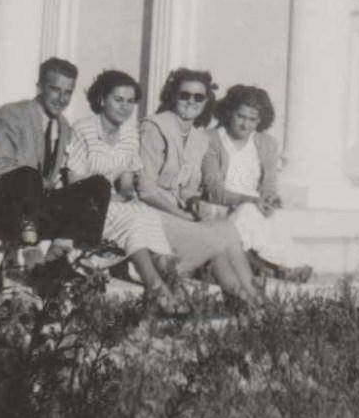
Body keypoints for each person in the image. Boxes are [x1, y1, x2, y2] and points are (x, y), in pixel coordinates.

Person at [0, 57, 111, 251]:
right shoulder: (12, 114)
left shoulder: (64, 127)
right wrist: (40, 182)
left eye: (68, 92)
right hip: (2, 208)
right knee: (28, 175)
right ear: (40, 87)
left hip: (36, 212)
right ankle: (29, 250)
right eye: (55, 89)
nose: (62, 99)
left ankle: (82, 250)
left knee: (99, 184)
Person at [138, 68, 260, 305]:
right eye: (185, 95)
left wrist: (195, 202)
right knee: (214, 237)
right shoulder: (155, 127)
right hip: (153, 213)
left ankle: (252, 298)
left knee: (225, 228)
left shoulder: (198, 138)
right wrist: (183, 215)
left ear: (206, 102)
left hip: (178, 213)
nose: (191, 102)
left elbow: (189, 190)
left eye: (198, 97)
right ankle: (247, 301)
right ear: (172, 96)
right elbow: (146, 190)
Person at [68, 70, 180, 311]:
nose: (125, 107)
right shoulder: (83, 129)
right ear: (101, 99)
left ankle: (168, 281)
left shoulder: (130, 133)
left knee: (145, 212)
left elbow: (126, 180)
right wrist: (111, 198)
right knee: (132, 218)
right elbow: (73, 182)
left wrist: (127, 195)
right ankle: (156, 286)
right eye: (118, 99)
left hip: (113, 201)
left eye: (130, 101)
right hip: (83, 203)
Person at [202, 84, 312, 284]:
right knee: (248, 212)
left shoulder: (266, 143)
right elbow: (213, 190)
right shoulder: (211, 139)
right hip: (221, 207)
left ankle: (271, 265)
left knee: (272, 218)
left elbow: (269, 185)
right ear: (229, 112)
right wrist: (252, 201)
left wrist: (269, 200)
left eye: (252, 119)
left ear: (260, 120)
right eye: (240, 116)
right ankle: (283, 267)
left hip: (255, 207)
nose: (245, 125)